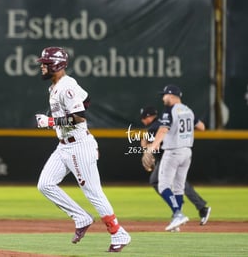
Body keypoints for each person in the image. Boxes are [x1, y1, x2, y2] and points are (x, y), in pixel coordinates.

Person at [35, 47, 131, 252]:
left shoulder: (66, 86)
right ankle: (81, 218)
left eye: (45, 62)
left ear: (57, 64)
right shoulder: (57, 86)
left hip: (79, 146)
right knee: (45, 184)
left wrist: (51, 121)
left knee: (93, 193)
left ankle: (118, 233)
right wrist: (56, 119)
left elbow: (80, 116)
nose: (42, 66)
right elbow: (85, 99)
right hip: (63, 146)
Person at [139, 106, 211, 229]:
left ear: (149, 117)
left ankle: (178, 211)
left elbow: (152, 144)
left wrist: (147, 149)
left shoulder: (154, 127)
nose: (143, 121)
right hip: (183, 151)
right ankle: (194, 208)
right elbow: (202, 127)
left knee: (167, 184)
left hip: (169, 157)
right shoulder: (178, 115)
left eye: (144, 118)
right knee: (175, 184)